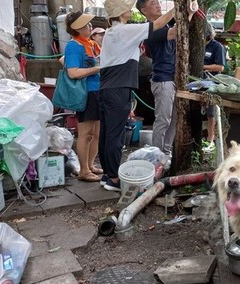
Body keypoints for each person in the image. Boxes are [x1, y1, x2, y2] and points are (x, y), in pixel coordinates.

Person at [97, 0, 175, 191]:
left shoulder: (112, 32)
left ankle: (108, 173)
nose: (129, 9)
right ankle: (114, 179)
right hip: (118, 87)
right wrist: (179, 7)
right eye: (126, 7)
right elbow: (157, 24)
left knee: (107, 133)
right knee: (115, 136)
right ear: (119, 12)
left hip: (107, 87)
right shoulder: (124, 30)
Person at [137, 0, 196, 157]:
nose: (157, 5)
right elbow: (176, 32)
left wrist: (190, 12)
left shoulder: (165, 26)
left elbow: (179, 30)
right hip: (163, 80)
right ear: (144, 10)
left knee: (174, 118)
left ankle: (166, 153)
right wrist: (180, 8)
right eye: (153, 3)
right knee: (163, 120)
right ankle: (157, 155)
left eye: (158, 2)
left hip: (173, 79)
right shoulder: (149, 30)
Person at [62, 12, 105, 181]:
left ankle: (90, 164)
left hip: (97, 91)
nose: (90, 26)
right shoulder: (74, 46)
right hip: (86, 93)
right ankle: (84, 170)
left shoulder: (91, 44)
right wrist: (97, 69)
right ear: (77, 28)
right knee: (86, 133)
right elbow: (72, 72)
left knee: (96, 132)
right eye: (86, 25)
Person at [202, 23, 226, 141]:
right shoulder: (198, 46)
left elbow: (220, 67)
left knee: (210, 112)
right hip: (197, 81)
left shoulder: (217, 47)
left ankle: (210, 138)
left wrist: (203, 67)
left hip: (212, 81)